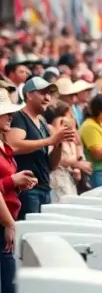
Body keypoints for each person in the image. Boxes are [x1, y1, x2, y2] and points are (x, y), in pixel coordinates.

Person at [0, 87, 36, 293]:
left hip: (7, 222)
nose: (10, 114)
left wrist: (15, 182)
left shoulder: (3, 144)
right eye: (5, 111)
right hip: (3, 227)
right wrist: (9, 224)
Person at [8, 77, 74, 218]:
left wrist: (59, 144)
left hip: (44, 188)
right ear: (29, 95)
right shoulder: (19, 117)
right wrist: (50, 140)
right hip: (28, 190)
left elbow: (50, 165)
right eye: (43, 93)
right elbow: (13, 145)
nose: (47, 97)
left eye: (49, 93)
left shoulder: (42, 121)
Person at [43, 101, 90, 202]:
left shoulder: (71, 131)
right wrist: (76, 163)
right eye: (69, 114)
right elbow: (55, 158)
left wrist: (77, 165)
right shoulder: (51, 132)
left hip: (70, 178)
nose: (72, 117)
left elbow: (78, 145)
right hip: (58, 179)